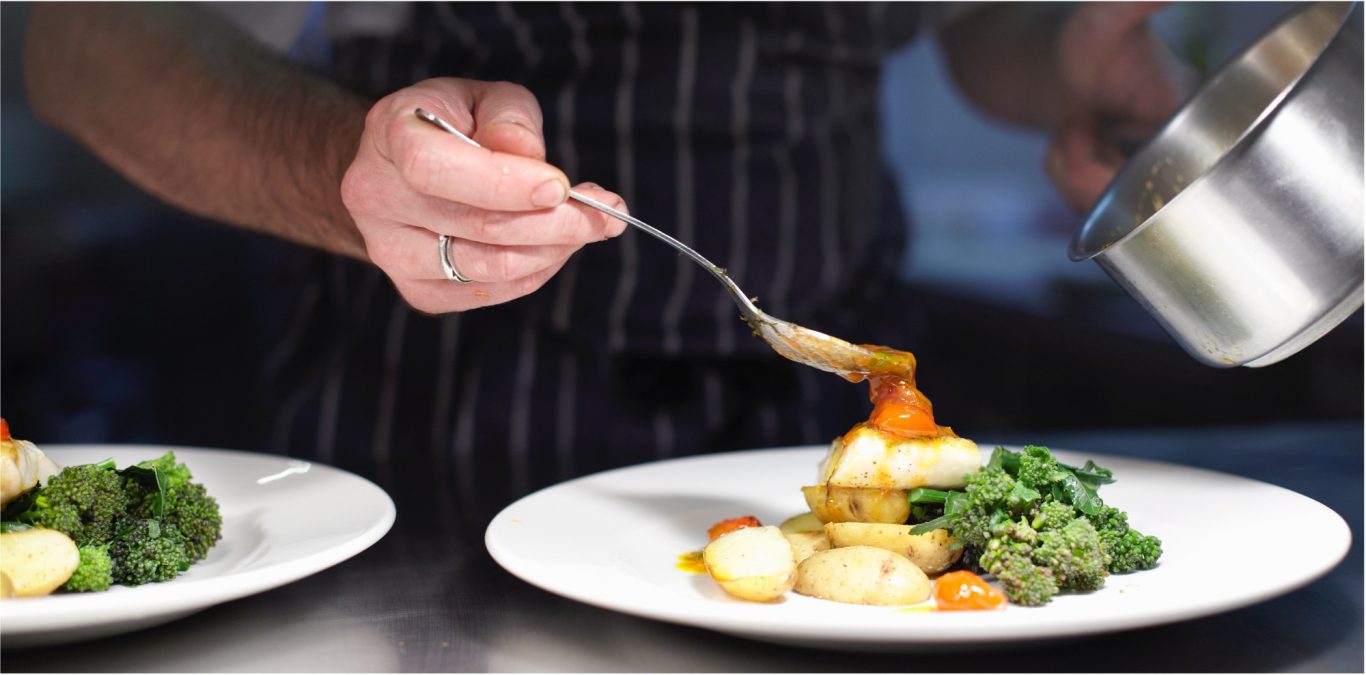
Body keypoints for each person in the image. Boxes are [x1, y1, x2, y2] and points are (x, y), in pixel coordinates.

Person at [23, 2, 1184, 536]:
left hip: (827, 374)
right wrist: (345, 163)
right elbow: (83, 40)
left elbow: (968, 26)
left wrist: (1060, 48)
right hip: (452, 403)